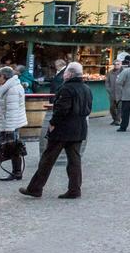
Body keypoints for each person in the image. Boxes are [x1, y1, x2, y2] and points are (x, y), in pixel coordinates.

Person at [20, 62, 91, 200]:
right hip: (79, 128)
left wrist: (52, 123)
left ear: (70, 74)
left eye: (66, 72)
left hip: (63, 130)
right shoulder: (86, 88)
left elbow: (61, 110)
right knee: (74, 160)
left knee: (47, 159)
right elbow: (88, 109)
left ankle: (35, 188)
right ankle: (74, 189)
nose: (64, 74)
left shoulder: (66, 89)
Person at [0, 66, 27, 181]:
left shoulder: (12, 89)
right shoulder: (11, 86)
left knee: (2, 147)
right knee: (13, 147)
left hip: (9, 124)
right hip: (10, 124)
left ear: (4, 77)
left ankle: (14, 172)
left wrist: (9, 128)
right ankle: (17, 172)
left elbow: (12, 110)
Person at [106, 59, 122, 126]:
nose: (116, 65)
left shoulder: (123, 72)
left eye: (118, 64)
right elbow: (107, 82)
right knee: (112, 108)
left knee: (120, 108)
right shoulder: (110, 72)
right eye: (115, 64)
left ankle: (118, 120)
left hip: (121, 93)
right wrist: (108, 89)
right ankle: (115, 119)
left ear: (120, 64)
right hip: (112, 93)